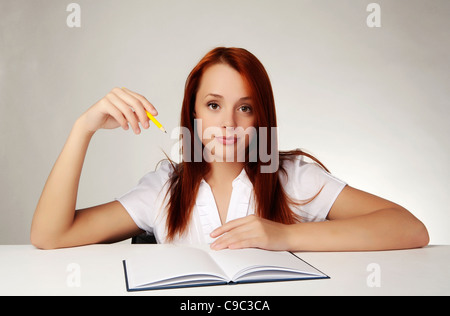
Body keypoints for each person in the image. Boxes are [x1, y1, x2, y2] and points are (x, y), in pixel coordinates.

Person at [30, 47, 429, 251]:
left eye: (245, 108)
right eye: (214, 105)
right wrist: (83, 129)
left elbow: (410, 228)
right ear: (193, 113)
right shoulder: (163, 190)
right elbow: (50, 236)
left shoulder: (292, 178)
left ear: (261, 118)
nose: (228, 124)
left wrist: (284, 236)